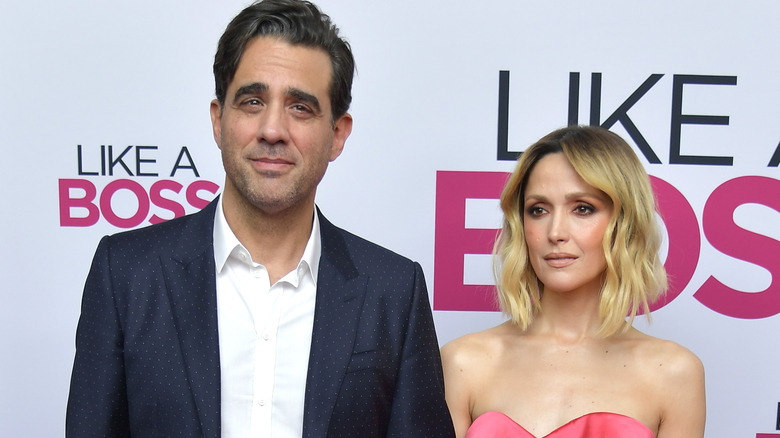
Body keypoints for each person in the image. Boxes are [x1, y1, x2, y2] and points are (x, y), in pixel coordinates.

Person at [66, 1, 454, 437]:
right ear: (218, 119)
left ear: (338, 134)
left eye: (300, 108)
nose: (272, 129)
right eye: (252, 101)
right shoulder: (126, 273)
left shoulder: (394, 292)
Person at [441, 125, 705, 437]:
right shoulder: (464, 362)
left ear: (624, 222)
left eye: (582, 208)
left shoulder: (673, 372)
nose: (555, 232)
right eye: (538, 210)